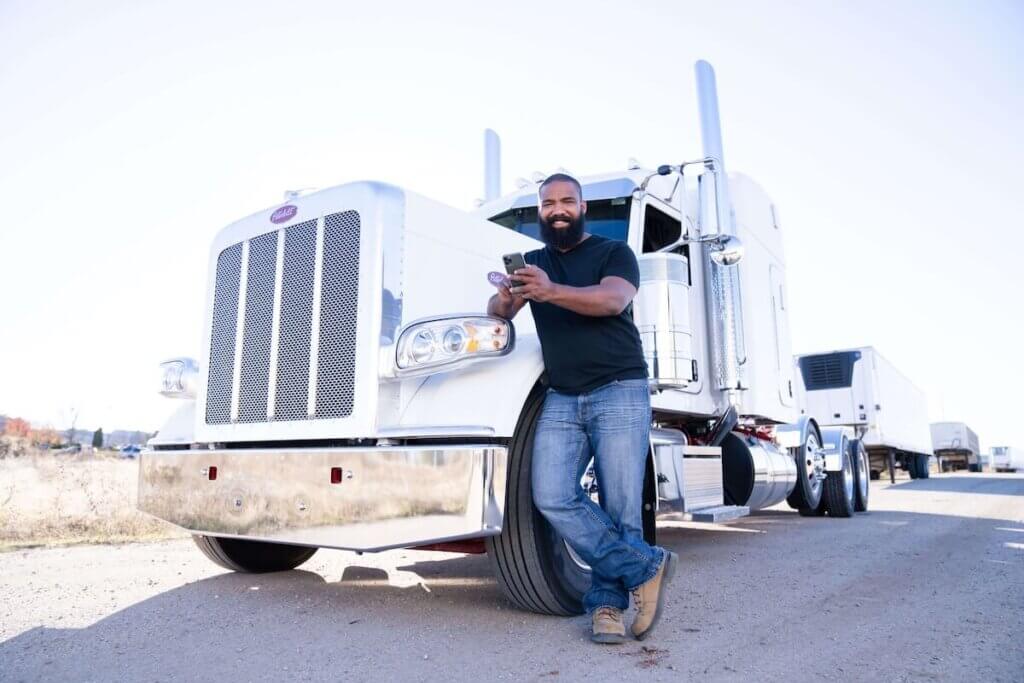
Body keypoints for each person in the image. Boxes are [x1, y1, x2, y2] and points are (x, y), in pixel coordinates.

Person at [487, 173, 678, 644]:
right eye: (548, 202)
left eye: (567, 201)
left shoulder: (614, 254)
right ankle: (646, 568)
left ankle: (607, 609)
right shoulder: (533, 263)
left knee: (621, 506)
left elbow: (613, 301)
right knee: (550, 494)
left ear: (582, 207)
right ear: (540, 211)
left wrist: (550, 292)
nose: (558, 209)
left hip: (618, 389)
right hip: (562, 394)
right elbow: (497, 312)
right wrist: (507, 297)